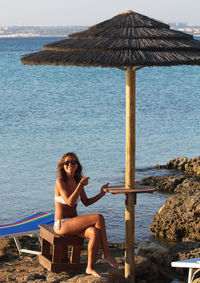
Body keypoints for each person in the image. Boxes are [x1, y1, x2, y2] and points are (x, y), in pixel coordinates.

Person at [54, 152, 119, 277]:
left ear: (77, 165)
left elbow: (86, 202)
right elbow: (70, 201)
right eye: (66, 163)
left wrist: (102, 193)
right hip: (61, 225)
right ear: (62, 166)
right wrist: (80, 185)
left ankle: (90, 267)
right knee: (98, 217)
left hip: (74, 224)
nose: (70, 165)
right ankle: (107, 253)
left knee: (95, 232)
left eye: (73, 162)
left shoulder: (78, 181)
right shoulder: (60, 181)